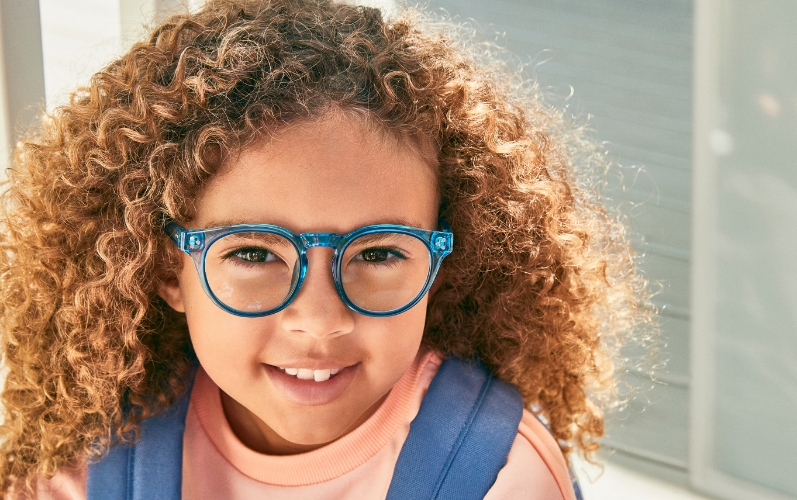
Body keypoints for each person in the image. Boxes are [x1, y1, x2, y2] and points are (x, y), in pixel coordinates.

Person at [0, 0, 653, 498]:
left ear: (442, 263)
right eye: (253, 254)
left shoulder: (498, 479)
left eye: (378, 254)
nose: (319, 319)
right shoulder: (90, 450)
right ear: (170, 267)